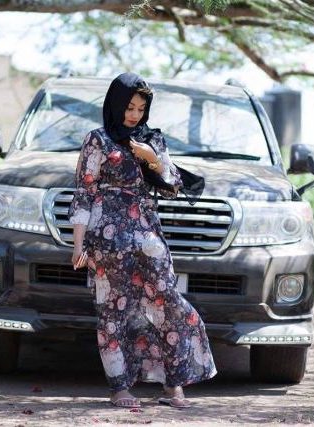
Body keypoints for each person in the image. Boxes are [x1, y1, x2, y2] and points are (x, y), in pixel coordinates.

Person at [68, 72, 217, 409]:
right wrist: (78, 245)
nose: (134, 115)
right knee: (112, 308)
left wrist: (149, 156)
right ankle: (120, 387)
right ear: (115, 105)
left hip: (147, 233)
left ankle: (174, 383)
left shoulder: (152, 139)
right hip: (107, 239)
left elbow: (173, 184)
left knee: (167, 300)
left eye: (140, 109)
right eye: (129, 107)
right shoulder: (97, 140)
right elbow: (84, 193)